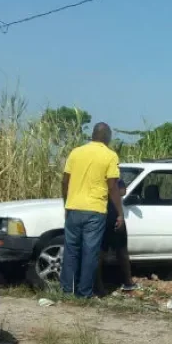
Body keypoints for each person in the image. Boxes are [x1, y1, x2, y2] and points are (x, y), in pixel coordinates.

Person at [61, 122, 124, 299]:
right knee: (90, 253)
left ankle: (67, 291)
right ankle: (84, 293)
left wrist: (66, 203)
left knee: (71, 250)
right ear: (107, 137)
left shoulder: (76, 152)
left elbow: (65, 181)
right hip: (95, 211)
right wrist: (120, 213)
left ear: (93, 135)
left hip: (73, 208)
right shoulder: (110, 156)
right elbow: (112, 187)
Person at [96, 179, 137, 294]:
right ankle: (128, 282)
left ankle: (98, 286)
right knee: (121, 251)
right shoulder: (114, 178)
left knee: (99, 253)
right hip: (113, 216)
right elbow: (123, 192)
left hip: (98, 215)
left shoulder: (96, 176)